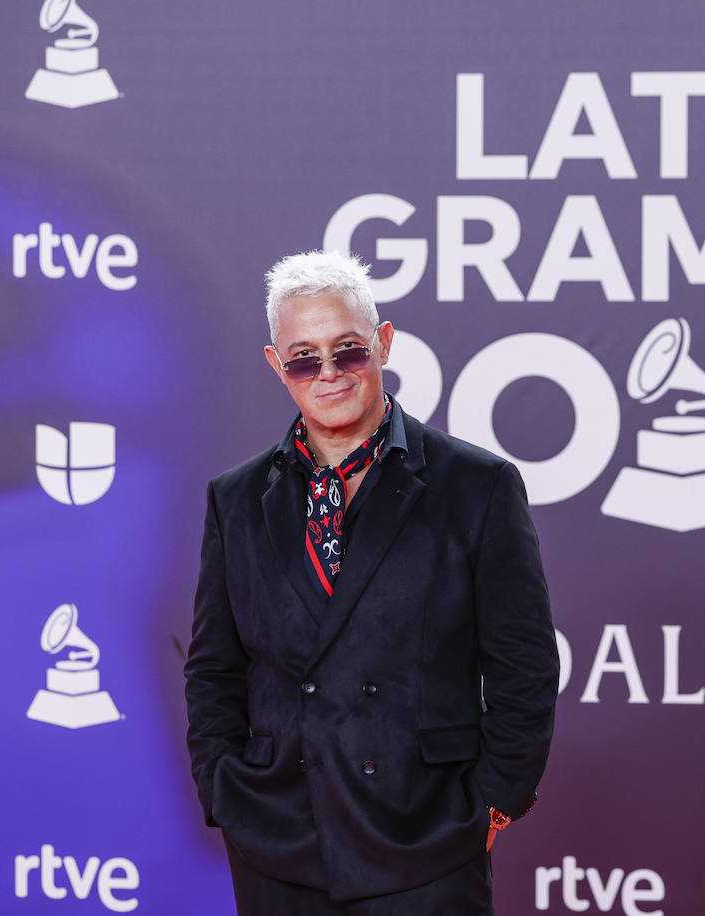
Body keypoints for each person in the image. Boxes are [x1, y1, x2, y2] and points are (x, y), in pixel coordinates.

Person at [183, 250, 560, 915]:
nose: (328, 373)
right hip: (278, 842)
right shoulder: (235, 499)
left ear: (383, 344)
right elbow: (214, 668)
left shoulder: (477, 487)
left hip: (426, 841)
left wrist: (493, 804)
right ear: (278, 367)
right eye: (304, 358)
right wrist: (224, 790)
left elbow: (523, 666)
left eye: (348, 350)